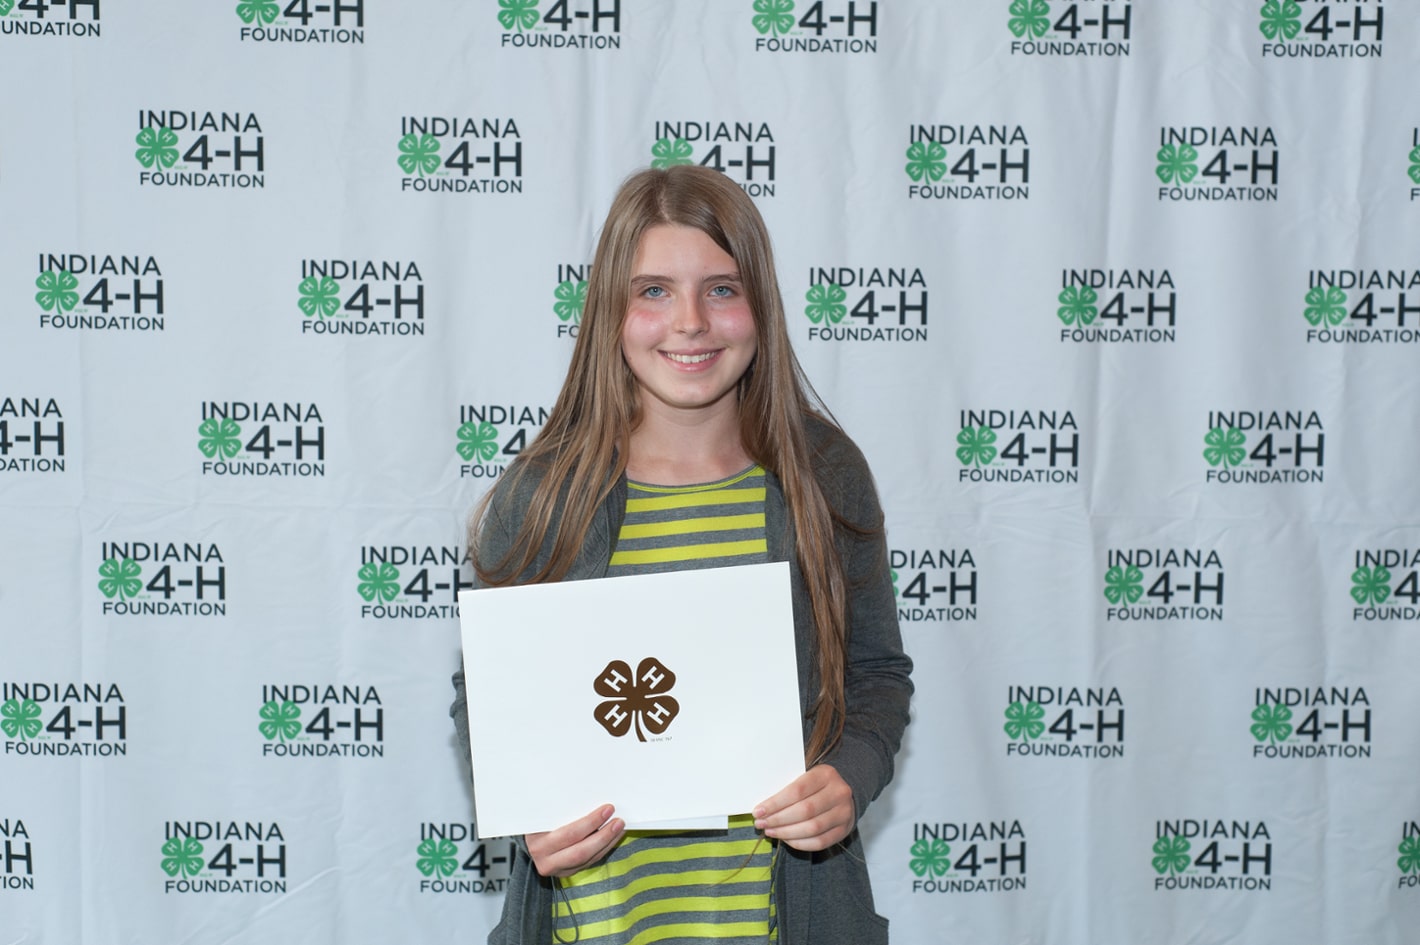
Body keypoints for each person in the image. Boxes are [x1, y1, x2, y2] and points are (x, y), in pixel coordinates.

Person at [451, 164, 912, 945]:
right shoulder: (542, 492)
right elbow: (486, 694)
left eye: (723, 289)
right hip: (593, 924)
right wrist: (529, 814)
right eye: (654, 290)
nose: (690, 321)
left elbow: (876, 674)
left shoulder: (825, 477)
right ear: (609, 312)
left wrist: (848, 777)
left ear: (760, 305)